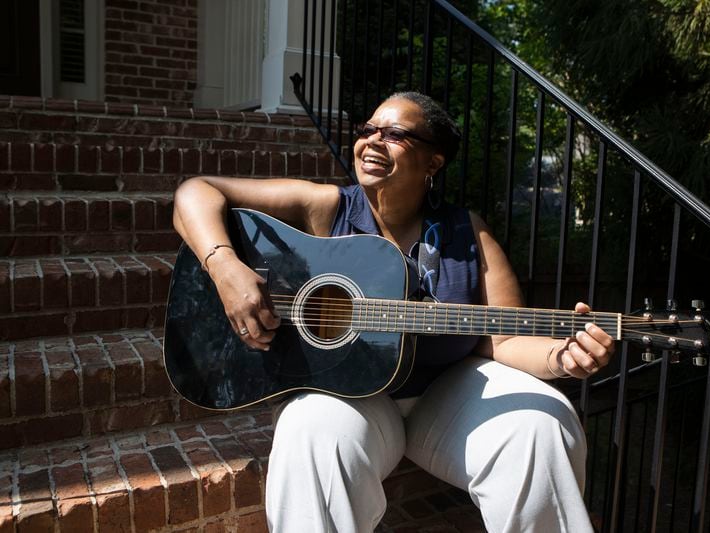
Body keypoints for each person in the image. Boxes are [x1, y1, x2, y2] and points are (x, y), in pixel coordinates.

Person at [173, 91, 615, 532]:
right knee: (310, 432)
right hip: (350, 395)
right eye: (368, 130)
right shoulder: (327, 208)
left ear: (433, 163)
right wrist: (225, 266)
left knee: (542, 420)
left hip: (445, 392)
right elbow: (196, 191)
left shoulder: (467, 231)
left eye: (395, 134)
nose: (372, 141)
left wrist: (561, 358)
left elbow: (505, 338)